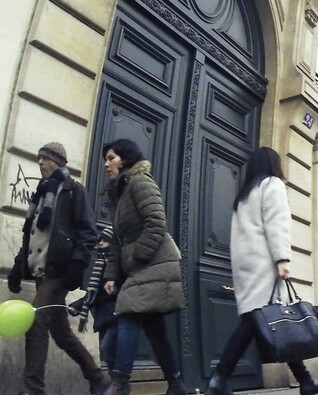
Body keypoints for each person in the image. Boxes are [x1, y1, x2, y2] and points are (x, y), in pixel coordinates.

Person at [206, 147, 318, 395]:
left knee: (272, 321)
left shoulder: (244, 195)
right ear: (273, 164)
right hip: (265, 263)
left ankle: (305, 380)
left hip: (247, 266)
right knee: (261, 320)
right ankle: (219, 379)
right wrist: (282, 258)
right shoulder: (272, 184)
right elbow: (277, 223)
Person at [7, 142, 109, 395]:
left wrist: (77, 266)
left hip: (59, 272)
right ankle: (98, 378)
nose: (40, 163)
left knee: (35, 321)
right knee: (60, 332)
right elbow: (32, 235)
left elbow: (88, 232)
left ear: (57, 162)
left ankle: (33, 389)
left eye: (45, 158)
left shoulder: (73, 191)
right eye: (39, 158)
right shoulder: (41, 193)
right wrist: (18, 266)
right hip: (42, 272)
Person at [100, 139, 187, 395]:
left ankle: (119, 383)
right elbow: (118, 239)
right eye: (106, 159)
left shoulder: (140, 182)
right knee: (154, 328)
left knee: (128, 314)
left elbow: (156, 223)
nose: (106, 164)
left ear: (125, 159)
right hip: (141, 267)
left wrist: (135, 257)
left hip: (156, 263)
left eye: (111, 158)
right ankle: (176, 384)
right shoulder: (119, 192)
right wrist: (112, 275)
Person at [68, 226, 120, 373]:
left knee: (108, 348)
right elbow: (93, 292)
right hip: (103, 317)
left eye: (105, 240)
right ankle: (117, 385)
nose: (100, 244)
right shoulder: (99, 265)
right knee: (106, 352)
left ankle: (120, 383)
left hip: (116, 314)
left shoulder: (116, 265)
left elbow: (102, 293)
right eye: (100, 240)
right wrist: (78, 306)